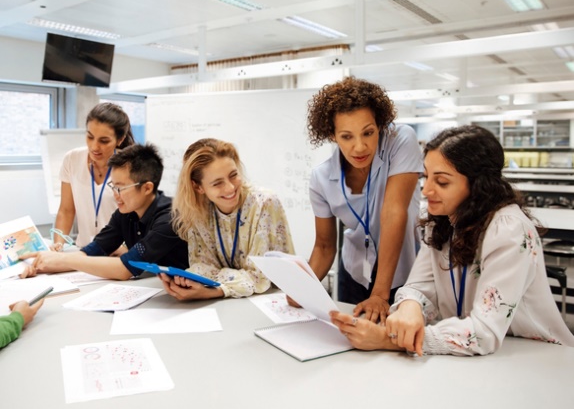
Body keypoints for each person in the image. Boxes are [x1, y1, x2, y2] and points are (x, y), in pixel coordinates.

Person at [330, 125, 574, 356]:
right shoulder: (442, 220)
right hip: (471, 355)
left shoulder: (509, 231)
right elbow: (419, 286)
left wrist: (388, 339)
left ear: (478, 185)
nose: (426, 191)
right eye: (426, 177)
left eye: (442, 181)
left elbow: (484, 332)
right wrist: (410, 308)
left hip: (532, 357)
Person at [301, 76, 422, 322]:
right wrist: (303, 289)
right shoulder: (322, 178)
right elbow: (324, 247)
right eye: (347, 136)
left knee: (396, 343)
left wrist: (380, 294)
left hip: (403, 268)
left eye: (368, 133)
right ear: (332, 135)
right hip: (355, 271)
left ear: (380, 125)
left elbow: (394, 212)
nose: (359, 147)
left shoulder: (401, 141)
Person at [20, 143, 188, 280]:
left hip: (188, 297)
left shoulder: (170, 218)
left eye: (120, 188)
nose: (115, 195)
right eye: (113, 186)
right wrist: (41, 263)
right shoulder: (126, 212)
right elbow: (91, 252)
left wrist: (61, 259)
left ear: (147, 188)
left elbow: (125, 269)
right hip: (155, 287)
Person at [159, 138, 295, 300]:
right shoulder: (198, 211)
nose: (230, 188)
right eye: (217, 183)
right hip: (227, 303)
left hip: (271, 300)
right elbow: (202, 268)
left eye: (233, 175)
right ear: (198, 187)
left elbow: (259, 277)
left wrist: (215, 290)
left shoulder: (264, 203)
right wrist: (184, 281)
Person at [52, 102, 135, 251]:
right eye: (90, 137)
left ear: (120, 139)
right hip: (83, 250)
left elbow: (137, 218)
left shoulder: (131, 166)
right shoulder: (72, 159)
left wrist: (125, 249)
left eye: (104, 141)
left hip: (118, 253)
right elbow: (66, 210)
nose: (94, 147)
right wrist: (59, 244)